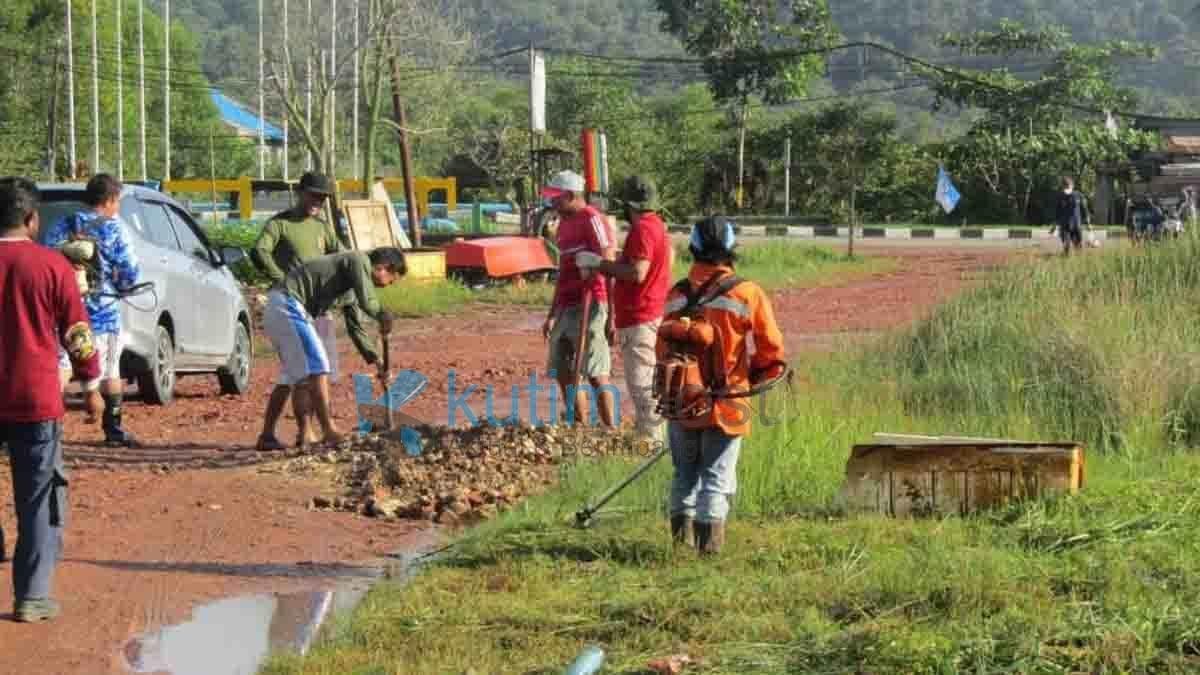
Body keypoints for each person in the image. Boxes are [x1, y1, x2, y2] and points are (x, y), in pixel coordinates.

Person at [0, 177, 101, 622]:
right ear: (30, 218)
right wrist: (91, 384)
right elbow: (77, 333)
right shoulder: (51, 266)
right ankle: (32, 597)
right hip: (34, 399)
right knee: (37, 499)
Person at [658, 217, 785, 555]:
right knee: (715, 478)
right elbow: (771, 350)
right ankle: (708, 553)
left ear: (694, 248)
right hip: (729, 402)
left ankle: (679, 548)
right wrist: (754, 377)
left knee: (684, 475)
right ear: (731, 249)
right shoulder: (746, 292)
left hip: (681, 401)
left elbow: (662, 350)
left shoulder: (676, 294)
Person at [252, 172, 372, 451]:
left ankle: (287, 433)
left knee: (306, 373)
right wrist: (281, 278)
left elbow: (344, 258)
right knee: (307, 372)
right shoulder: (280, 224)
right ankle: (310, 430)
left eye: (323, 197)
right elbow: (260, 251)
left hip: (318, 309)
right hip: (292, 305)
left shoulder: (322, 228)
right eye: (314, 195)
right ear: (300, 192)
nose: (318, 201)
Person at [258, 248, 405, 447]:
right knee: (318, 366)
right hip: (288, 305)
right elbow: (369, 302)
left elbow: (356, 327)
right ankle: (329, 430)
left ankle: (271, 436)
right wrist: (382, 314)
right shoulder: (358, 259)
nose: (387, 286)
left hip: (281, 308)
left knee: (293, 376)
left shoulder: (351, 285)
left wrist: (378, 361)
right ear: (383, 267)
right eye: (391, 280)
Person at [42, 173, 141, 447]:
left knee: (62, 366)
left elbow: (46, 259)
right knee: (110, 371)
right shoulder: (115, 228)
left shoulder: (63, 224)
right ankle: (113, 431)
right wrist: (123, 287)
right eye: (117, 202)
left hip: (63, 311)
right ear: (109, 200)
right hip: (103, 313)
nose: (117, 207)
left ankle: (47, 428)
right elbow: (129, 271)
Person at [577, 175, 673, 443]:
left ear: (629, 205)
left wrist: (598, 264)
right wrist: (615, 261)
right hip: (650, 312)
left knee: (642, 384)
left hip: (640, 316)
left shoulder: (643, 229)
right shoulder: (657, 226)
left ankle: (651, 441)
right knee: (647, 380)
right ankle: (652, 435)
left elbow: (637, 272)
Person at [539, 170, 617, 428]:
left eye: (556, 197)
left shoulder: (593, 219)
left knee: (595, 372)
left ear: (571, 195)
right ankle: (580, 426)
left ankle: (610, 430)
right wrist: (552, 314)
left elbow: (609, 265)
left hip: (592, 301)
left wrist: (612, 316)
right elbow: (562, 274)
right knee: (563, 370)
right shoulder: (562, 225)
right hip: (567, 304)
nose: (552, 202)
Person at [1050, 176, 1090, 257]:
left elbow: (1085, 210)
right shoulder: (1060, 196)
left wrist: (1088, 224)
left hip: (1076, 225)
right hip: (1064, 226)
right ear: (1063, 186)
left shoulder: (1079, 195)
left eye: (1068, 185)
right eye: (1065, 185)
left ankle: (1078, 261)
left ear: (1072, 185)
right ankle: (1065, 258)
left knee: (1078, 247)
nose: (1067, 186)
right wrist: (1054, 225)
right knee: (1067, 246)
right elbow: (1057, 212)